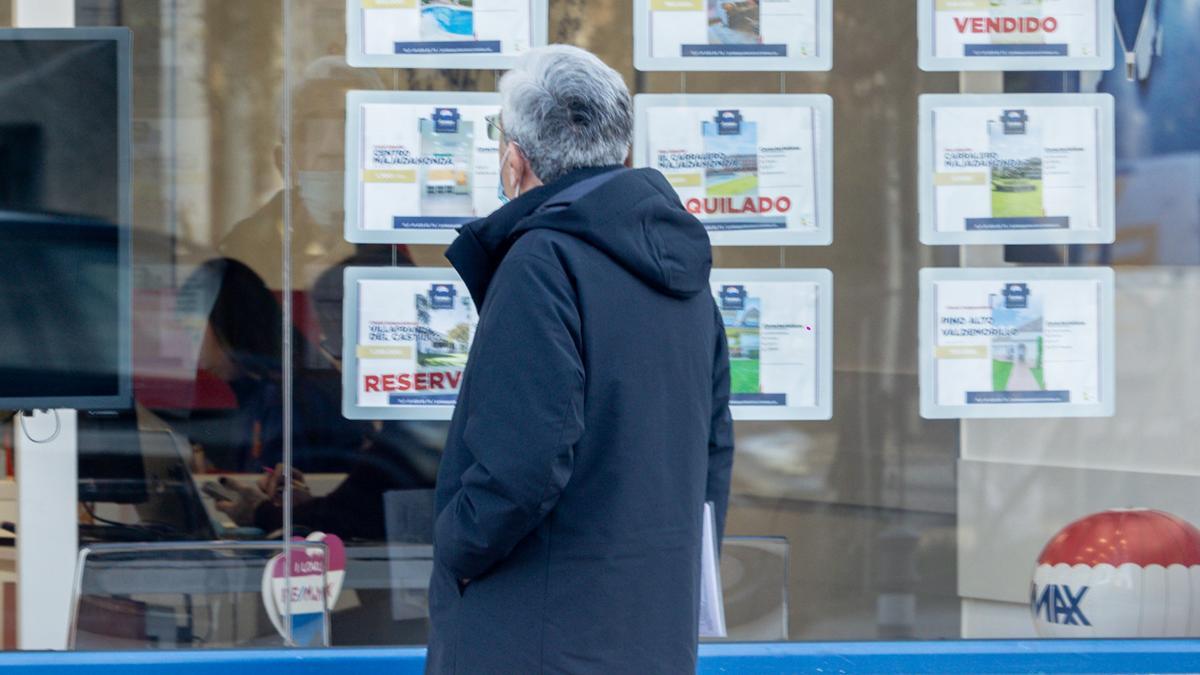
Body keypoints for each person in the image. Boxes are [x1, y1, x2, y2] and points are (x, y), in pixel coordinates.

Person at [427, 45, 734, 674]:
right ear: (623, 151)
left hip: (533, 640)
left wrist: (456, 546)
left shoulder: (540, 262)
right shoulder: (684, 274)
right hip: (651, 635)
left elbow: (524, 461)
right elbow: (713, 451)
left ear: (514, 160)